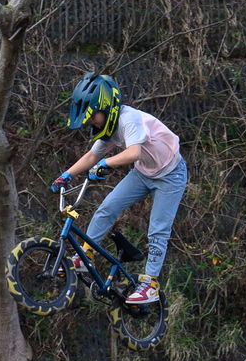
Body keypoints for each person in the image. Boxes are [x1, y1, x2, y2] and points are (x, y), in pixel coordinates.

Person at [49, 72, 187, 306]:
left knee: (158, 230)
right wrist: (65, 176)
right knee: (106, 208)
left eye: (93, 116)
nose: (92, 121)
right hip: (144, 172)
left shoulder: (128, 119)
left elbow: (134, 153)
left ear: (106, 107)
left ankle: (151, 283)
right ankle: (86, 256)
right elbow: (93, 154)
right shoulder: (110, 128)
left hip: (170, 175)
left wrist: (107, 164)